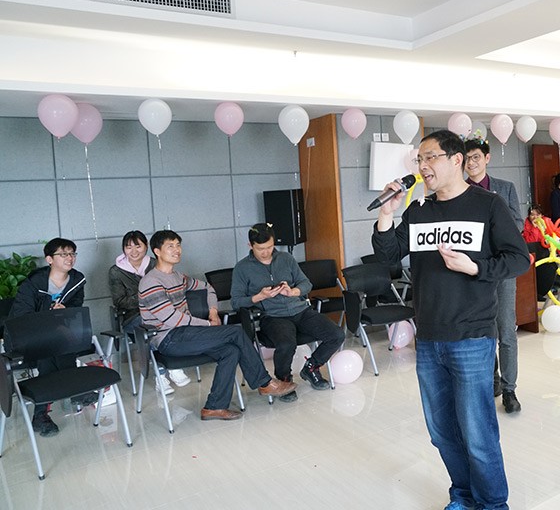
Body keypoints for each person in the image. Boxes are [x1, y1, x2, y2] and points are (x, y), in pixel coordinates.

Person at [372, 129, 530, 510]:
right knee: (442, 432)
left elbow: (518, 259)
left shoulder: (488, 205)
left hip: (472, 337)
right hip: (428, 338)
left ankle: (493, 504)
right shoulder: (419, 211)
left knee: (477, 433)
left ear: (456, 160)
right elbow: (388, 258)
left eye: (430, 158)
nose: (423, 166)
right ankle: (463, 495)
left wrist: (476, 267)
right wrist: (386, 214)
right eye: (419, 160)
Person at [139, 229, 297, 421]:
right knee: (236, 333)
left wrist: (213, 312)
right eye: (170, 246)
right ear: (157, 251)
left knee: (230, 351)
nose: (177, 250)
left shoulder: (179, 277)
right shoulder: (151, 282)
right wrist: (208, 324)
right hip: (168, 339)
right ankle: (264, 383)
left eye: (178, 245)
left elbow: (208, 287)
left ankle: (214, 407)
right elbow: (172, 319)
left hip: (187, 334)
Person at [230, 223, 345, 402]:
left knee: (336, 334)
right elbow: (236, 301)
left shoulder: (286, 258)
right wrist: (259, 296)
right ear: (250, 245)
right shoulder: (242, 268)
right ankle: (284, 380)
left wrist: (293, 292)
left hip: (300, 310)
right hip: (272, 317)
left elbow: (306, 283)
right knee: (286, 344)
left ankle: (311, 368)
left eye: (270, 247)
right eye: (260, 249)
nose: (266, 252)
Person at [464, 138, 524, 413]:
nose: (471, 163)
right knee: (482, 331)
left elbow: (518, 223)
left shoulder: (505, 188)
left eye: (476, 157)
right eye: (467, 158)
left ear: (487, 158)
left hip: (502, 268)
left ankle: (510, 390)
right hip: (473, 271)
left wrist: (494, 232)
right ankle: (493, 379)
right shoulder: (460, 191)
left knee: (506, 330)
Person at [10, 238, 87, 436]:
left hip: (57, 335)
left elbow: (76, 308)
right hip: (27, 337)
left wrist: (65, 310)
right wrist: (49, 314)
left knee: (60, 346)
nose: (69, 258)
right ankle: (76, 391)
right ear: (49, 259)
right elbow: (21, 317)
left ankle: (41, 414)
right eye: (63, 254)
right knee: (49, 351)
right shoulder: (32, 284)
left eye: (72, 254)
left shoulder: (77, 280)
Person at [108, 230, 190, 395]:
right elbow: (119, 301)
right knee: (151, 327)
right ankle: (162, 373)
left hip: (162, 312)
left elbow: (172, 289)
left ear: (147, 247)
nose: (134, 251)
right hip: (133, 317)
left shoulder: (155, 263)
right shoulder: (116, 271)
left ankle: (173, 364)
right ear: (124, 249)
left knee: (168, 320)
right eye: (128, 247)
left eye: (138, 246)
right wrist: (147, 297)